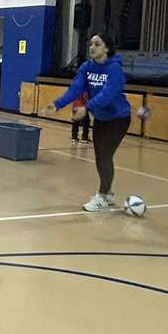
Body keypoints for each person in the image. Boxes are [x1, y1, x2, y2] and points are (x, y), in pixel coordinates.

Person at [44, 33, 132, 212]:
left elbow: (108, 94)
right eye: (91, 44)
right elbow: (75, 89)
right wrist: (57, 104)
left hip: (119, 118)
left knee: (105, 155)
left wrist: (87, 107)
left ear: (106, 48)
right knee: (100, 157)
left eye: (97, 44)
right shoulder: (87, 67)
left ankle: (102, 195)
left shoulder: (115, 69)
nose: (92, 47)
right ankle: (107, 196)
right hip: (100, 118)